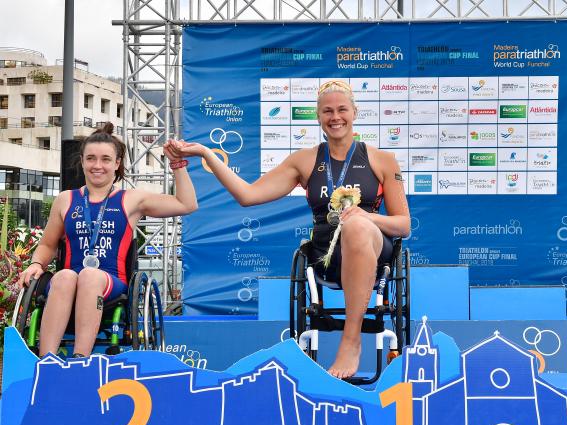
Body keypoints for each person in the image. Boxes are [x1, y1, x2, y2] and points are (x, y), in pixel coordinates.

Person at [169, 80, 410, 379]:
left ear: (355, 112)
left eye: (342, 110)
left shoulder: (382, 160)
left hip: (373, 250)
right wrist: (207, 154)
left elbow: (403, 225)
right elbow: (248, 195)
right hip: (327, 257)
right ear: (318, 117)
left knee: (357, 225)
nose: (335, 117)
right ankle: (350, 336)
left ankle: (351, 340)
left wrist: (363, 217)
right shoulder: (305, 160)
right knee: (353, 225)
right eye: (327, 111)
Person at [19, 123, 198, 358]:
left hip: (112, 283)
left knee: (90, 276)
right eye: (91, 158)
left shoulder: (131, 199)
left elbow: (187, 204)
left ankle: (81, 359)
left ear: (117, 163)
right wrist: (36, 264)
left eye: (105, 159)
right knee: (64, 275)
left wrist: (177, 164)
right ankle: (47, 360)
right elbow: (48, 244)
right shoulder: (65, 200)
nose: (97, 165)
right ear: (82, 161)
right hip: (69, 281)